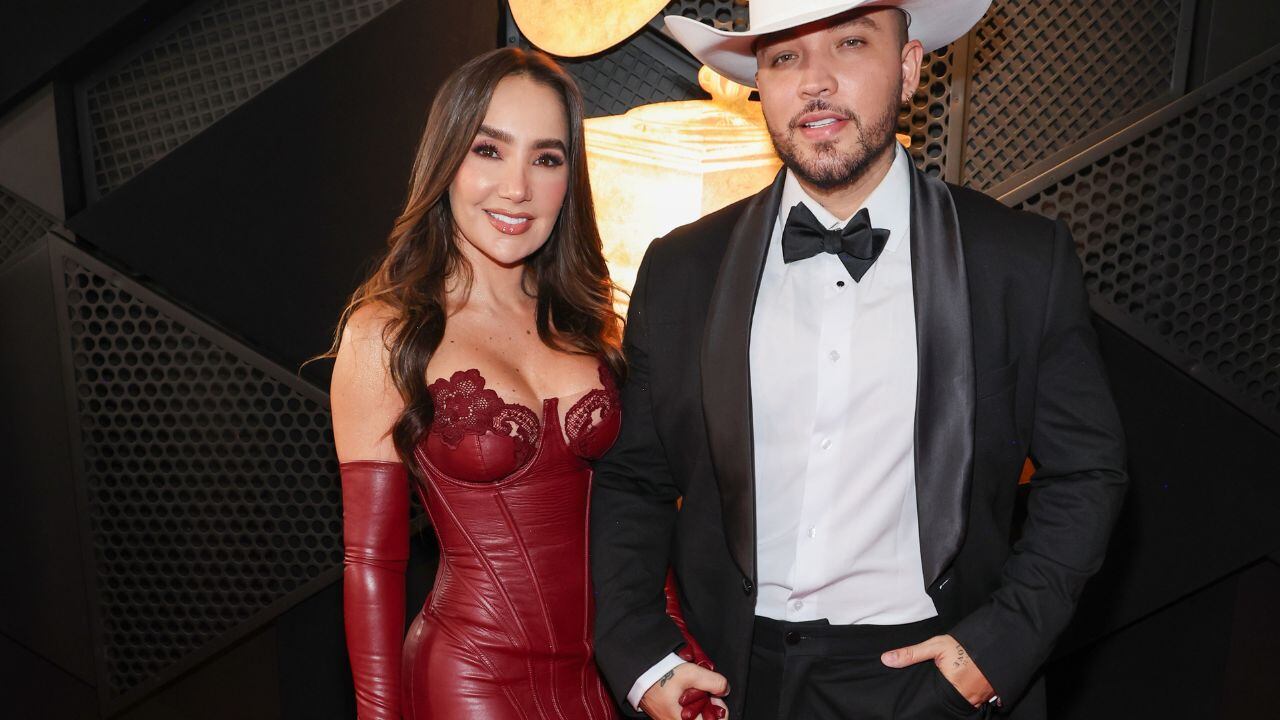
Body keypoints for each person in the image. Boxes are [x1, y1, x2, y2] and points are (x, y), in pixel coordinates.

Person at [590, 1, 1129, 719]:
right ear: (760, 81)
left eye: (849, 44)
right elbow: (632, 481)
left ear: (907, 69)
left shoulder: (1019, 261)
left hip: (935, 682)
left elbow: (1087, 472)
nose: (815, 81)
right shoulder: (682, 266)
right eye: (784, 56)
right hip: (732, 684)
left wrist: (994, 650)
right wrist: (644, 659)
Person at [327, 47, 629, 719]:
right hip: (472, 682)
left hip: (608, 675)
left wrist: (674, 653)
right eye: (489, 151)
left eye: (546, 159)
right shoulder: (388, 333)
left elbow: (636, 517)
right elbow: (371, 566)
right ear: (447, 162)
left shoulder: (591, 323)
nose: (517, 187)